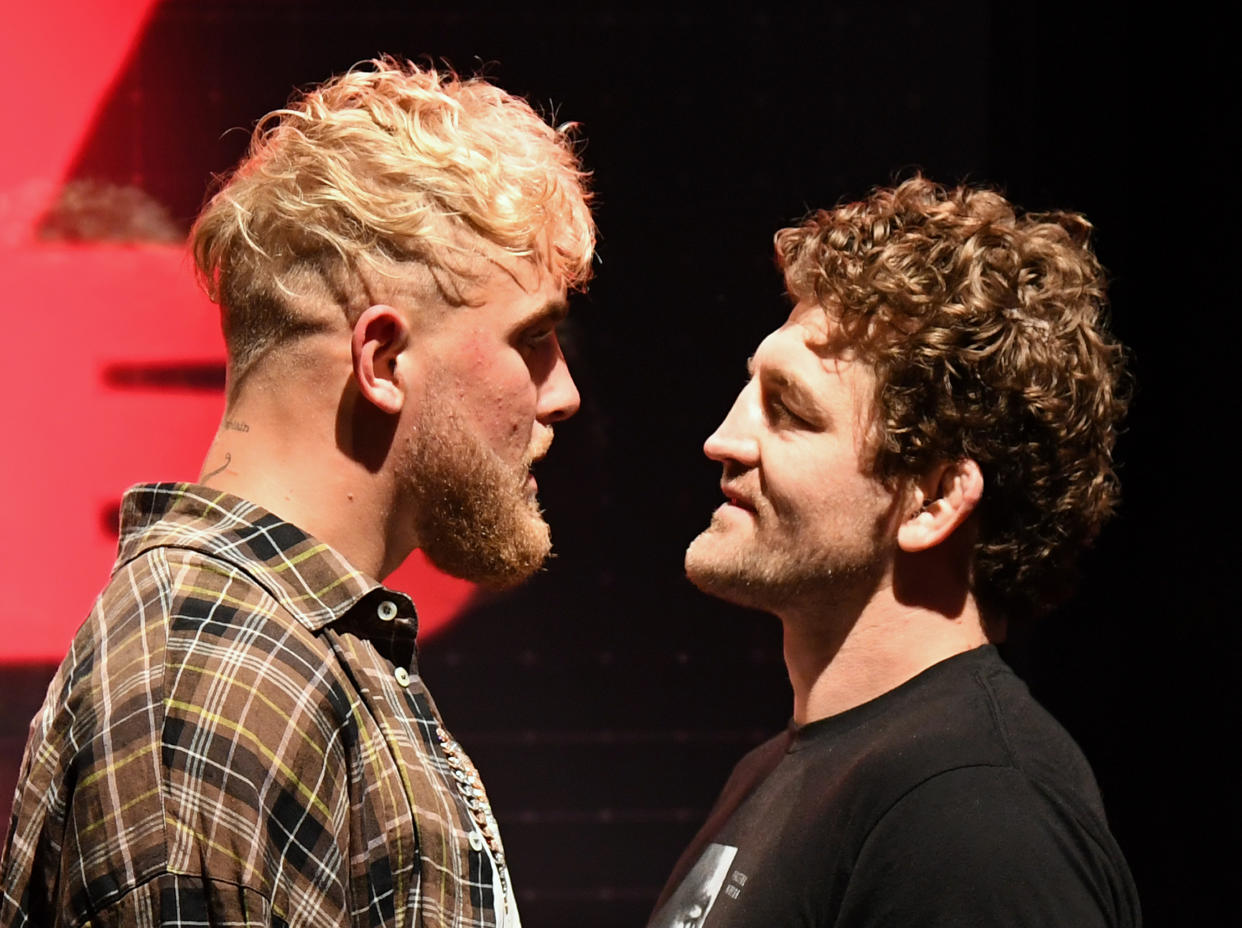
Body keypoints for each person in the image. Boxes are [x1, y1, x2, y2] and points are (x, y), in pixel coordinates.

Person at [0, 58, 593, 928]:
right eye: (533, 338)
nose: (562, 391)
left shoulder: (286, 657)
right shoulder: (218, 682)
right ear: (383, 359)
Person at [648, 177, 1140, 927]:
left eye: (790, 411)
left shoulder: (978, 818)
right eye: (751, 389)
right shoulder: (781, 773)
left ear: (936, 497)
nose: (723, 440)